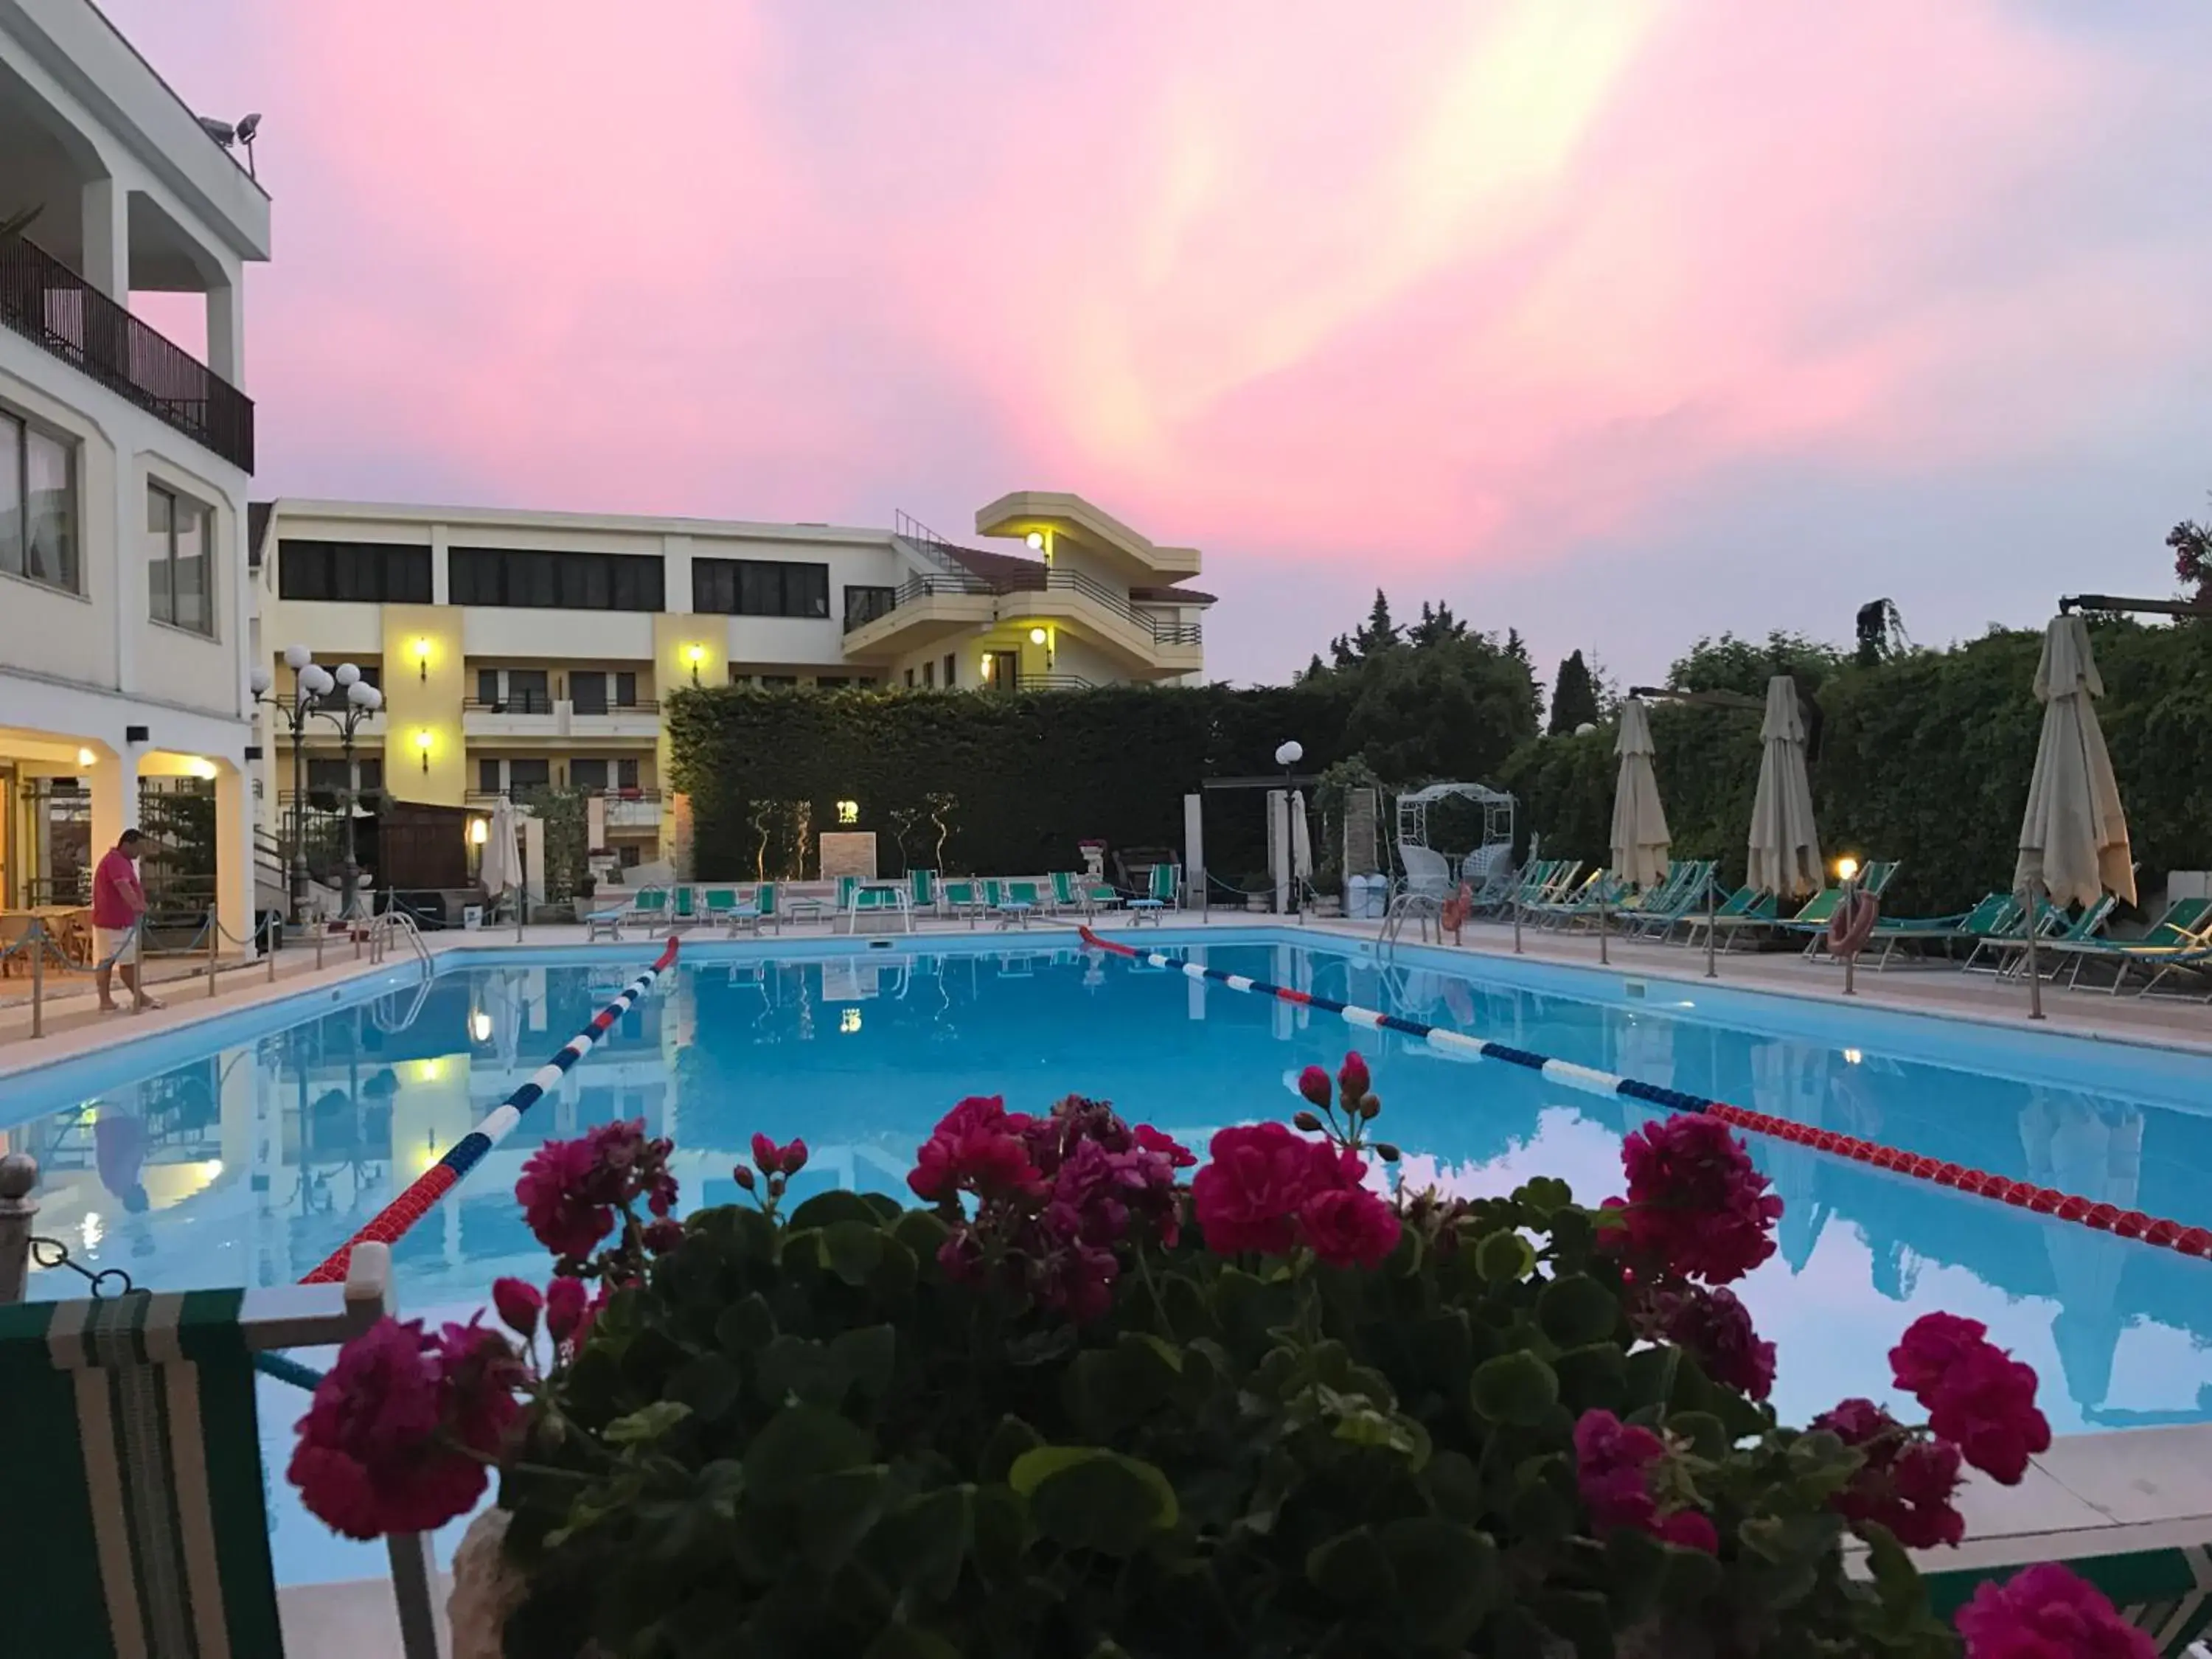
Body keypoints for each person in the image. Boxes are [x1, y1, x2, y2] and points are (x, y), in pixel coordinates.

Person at [91, 828, 161, 1013]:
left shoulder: (122, 861)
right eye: (138, 847)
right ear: (127, 844)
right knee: (124, 962)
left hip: (114, 920)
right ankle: (139, 998)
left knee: (108, 960)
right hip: (115, 922)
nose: (140, 853)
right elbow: (122, 885)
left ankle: (107, 1000)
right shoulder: (116, 861)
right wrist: (137, 905)